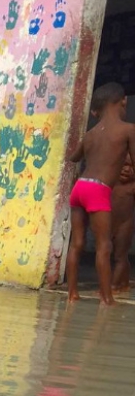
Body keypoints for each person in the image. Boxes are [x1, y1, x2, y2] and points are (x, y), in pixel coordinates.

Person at [66, 82, 135, 305]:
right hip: (98, 189)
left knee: (76, 244)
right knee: (104, 246)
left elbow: (74, 157)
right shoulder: (128, 129)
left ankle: (72, 294)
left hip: (80, 188)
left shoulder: (90, 134)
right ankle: (107, 299)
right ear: (123, 101)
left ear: (97, 111)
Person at [111, 156, 135, 293]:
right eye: (124, 165)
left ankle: (113, 286)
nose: (127, 169)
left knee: (120, 256)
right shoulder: (111, 181)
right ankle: (124, 282)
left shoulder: (132, 186)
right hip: (109, 222)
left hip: (125, 224)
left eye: (132, 167)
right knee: (112, 254)